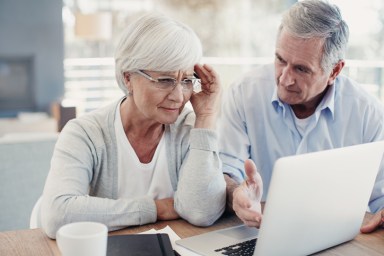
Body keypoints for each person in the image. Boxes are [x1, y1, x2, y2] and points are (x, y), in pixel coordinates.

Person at [41, 13, 226, 238]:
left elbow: (201, 212)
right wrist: (157, 208)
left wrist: (206, 116)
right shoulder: (85, 133)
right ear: (128, 78)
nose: (179, 96)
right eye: (165, 80)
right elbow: (57, 216)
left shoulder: (191, 127)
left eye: (187, 80)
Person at [220, 0, 384, 233]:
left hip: (336, 237)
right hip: (260, 232)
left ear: (335, 71)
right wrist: (237, 193)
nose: (285, 79)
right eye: (280, 60)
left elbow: (381, 197)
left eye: (301, 69)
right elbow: (227, 169)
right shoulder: (244, 93)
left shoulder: (367, 113)